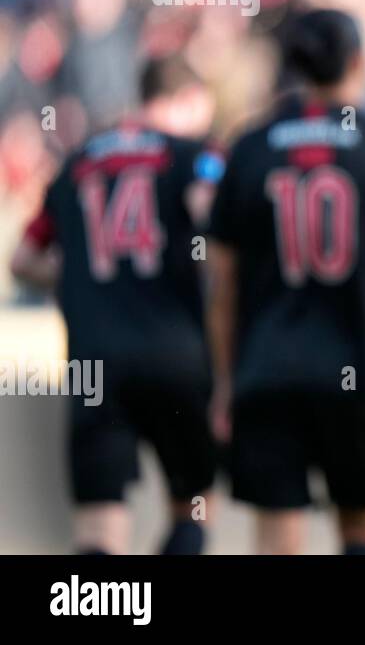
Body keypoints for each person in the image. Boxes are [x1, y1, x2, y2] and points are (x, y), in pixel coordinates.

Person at [206, 8, 365, 555]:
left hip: (267, 371)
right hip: (358, 372)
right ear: (357, 62)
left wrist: (225, 381)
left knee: (279, 536)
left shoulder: (249, 150)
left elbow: (221, 287)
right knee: (361, 533)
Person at [10, 56, 222, 555]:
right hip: (177, 355)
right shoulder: (194, 158)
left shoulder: (79, 162)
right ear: (185, 102)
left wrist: (81, 277)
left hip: (94, 361)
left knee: (98, 525)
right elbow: (216, 233)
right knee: (192, 506)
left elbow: (23, 259)